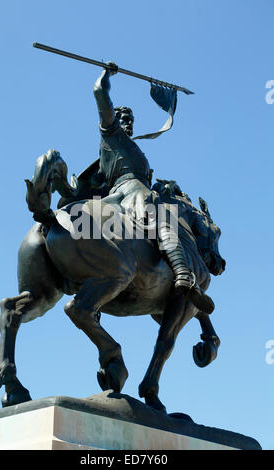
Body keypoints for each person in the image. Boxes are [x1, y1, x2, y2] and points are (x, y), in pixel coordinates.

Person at [92, 64, 213, 313]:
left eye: (131, 120)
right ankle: (183, 273)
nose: (128, 123)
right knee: (164, 220)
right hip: (130, 191)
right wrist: (106, 75)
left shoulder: (122, 145)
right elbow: (100, 94)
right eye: (123, 118)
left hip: (130, 191)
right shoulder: (110, 132)